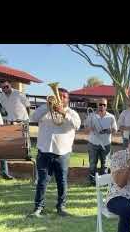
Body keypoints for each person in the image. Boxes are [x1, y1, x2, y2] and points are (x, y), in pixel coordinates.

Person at [28, 88, 81, 218]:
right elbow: (33, 117)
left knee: (62, 181)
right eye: (59, 96)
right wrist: (47, 106)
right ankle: (38, 207)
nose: (60, 98)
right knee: (42, 181)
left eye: (64, 97)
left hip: (62, 152)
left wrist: (63, 113)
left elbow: (77, 125)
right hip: (44, 151)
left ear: (68, 100)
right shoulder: (45, 110)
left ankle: (61, 207)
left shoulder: (72, 113)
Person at [84, 98, 117, 185]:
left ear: (106, 106)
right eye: (100, 104)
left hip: (106, 144)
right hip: (93, 143)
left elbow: (115, 130)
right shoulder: (91, 116)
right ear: (97, 105)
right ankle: (92, 181)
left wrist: (108, 130)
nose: (102, 106)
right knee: (92, 163)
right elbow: (85, 130)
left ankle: (104, 182)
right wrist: (90, 128)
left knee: (105, 164)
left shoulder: (111, 117)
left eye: (104, 105)